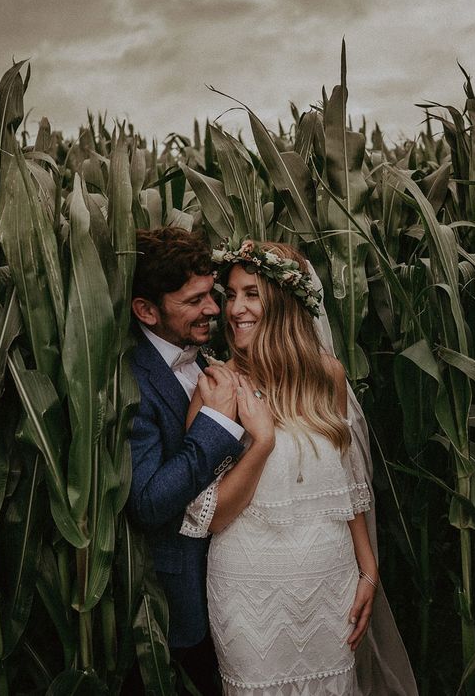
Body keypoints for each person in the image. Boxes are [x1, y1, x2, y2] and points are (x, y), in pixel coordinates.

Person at [180, 240, 379, 694]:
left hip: (332, 583)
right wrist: (262, 442)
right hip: (250, 594)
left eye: (251, 293)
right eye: (231, 294)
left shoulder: (327, 375)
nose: (235, 309)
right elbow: (213, 516)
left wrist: (368, 570)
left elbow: (347, 485)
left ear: (285, 303)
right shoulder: (217, 387)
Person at [127, 227, 275, 694]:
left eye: (210, 294)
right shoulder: (130, 382)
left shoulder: (209, 356)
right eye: (193, 301)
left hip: (242, 585)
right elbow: (149, 502)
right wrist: (213, 426)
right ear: (146, 310)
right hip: (180, 602)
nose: (214, 309)